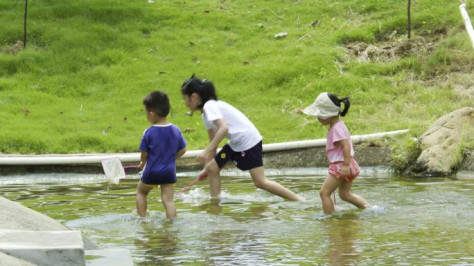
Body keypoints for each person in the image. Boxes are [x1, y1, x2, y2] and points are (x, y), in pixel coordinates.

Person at [180, 75, 302, 201]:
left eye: (185, 98)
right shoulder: (205, 114)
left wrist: (207, 150)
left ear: (194, 97)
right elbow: (214, 143)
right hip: (235, 144)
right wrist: (206, 168)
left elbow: (223, 129)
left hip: (248, 142)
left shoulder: (209, 106)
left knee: (260, 182)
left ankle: (299, 200)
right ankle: (215, 203)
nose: (184, 102)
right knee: (212, 168)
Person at [302, 92, 371, 214]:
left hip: (341, 166)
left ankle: (330, 219)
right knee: (345, 194)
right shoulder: (339, 125)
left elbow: (346, 146)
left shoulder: (336, 129)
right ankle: (370, 208)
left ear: (328, 114)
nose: (317, 118)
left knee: (324, 193)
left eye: (319, 115)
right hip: (349, 164)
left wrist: (345, 165)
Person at [136, 91, 187, 219]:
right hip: (169, 172)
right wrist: (171, 158)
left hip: (152, 171)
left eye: (146, 112)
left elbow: (144, 153)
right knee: (168, 200)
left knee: (141, 192)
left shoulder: (149, 132)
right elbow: (183, 149)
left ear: (152, 114)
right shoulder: (175, 130)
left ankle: (142, 219)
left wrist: (142, 163)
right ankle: (172, 223)